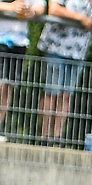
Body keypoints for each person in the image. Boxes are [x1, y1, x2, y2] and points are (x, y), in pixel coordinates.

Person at [36, 0, 92, 144]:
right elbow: (54, 9)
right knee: (52, 92)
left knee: (66, 95)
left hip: (78, 51)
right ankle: (44, 137)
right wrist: (80, 18)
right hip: (55, 47)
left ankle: (57, 137)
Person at [0, 0, 46, 143]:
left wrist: (31, 12)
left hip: (18, 43)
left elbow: (41, 6)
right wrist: (10, 7)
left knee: (7, 89)